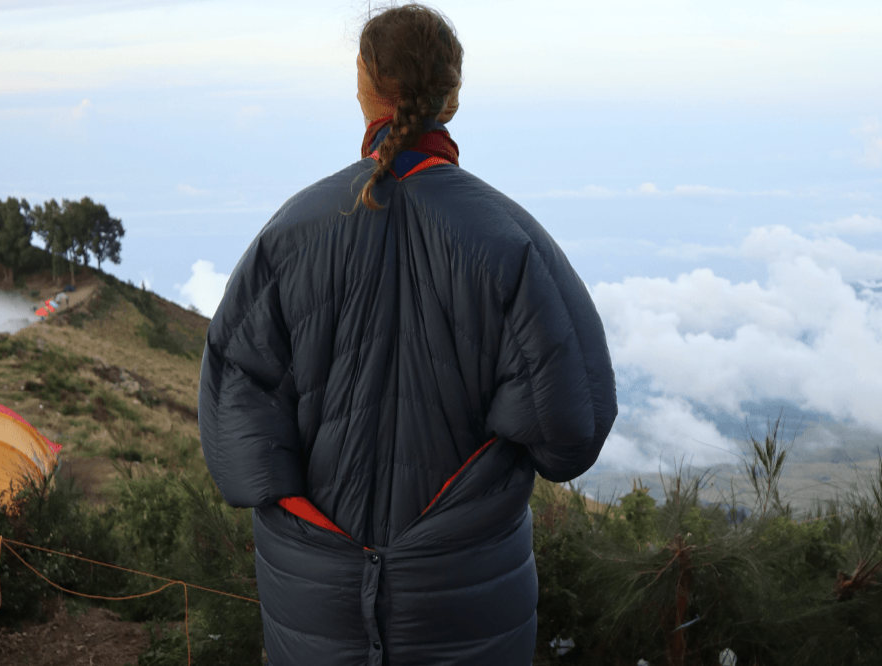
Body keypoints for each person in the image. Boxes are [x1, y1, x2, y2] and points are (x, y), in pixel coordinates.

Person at [198, 5, 617, 665]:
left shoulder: (289, 233)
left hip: (315, 593)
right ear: (452, 96)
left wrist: (321, 532)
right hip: (467, 594)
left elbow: (234, 422)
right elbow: (572, 428)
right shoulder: (512, 241)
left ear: (364, 86)